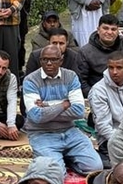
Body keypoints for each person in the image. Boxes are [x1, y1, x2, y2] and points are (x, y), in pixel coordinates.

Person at [21, 45, 98, 176]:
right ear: (40, 61)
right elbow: (37, 116)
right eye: (45, 59)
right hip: (42, 133)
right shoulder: (30, 80)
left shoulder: (71, 76)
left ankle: (64, 159)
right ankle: (59, 160)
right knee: (56, 173)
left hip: (70, 131)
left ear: (61, 60)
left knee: (95, 167)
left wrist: (46, 106)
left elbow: (79, 111)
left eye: (53, 59)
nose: (48, 63)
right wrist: (63, 104)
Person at [77, 13, 123, 94]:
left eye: (113, 29)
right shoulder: (85, 52)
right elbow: (81, 82)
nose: (109, 32)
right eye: (105, 28)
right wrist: (96, 96)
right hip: (100, 94)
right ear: (98, 30)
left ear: (118, 31)